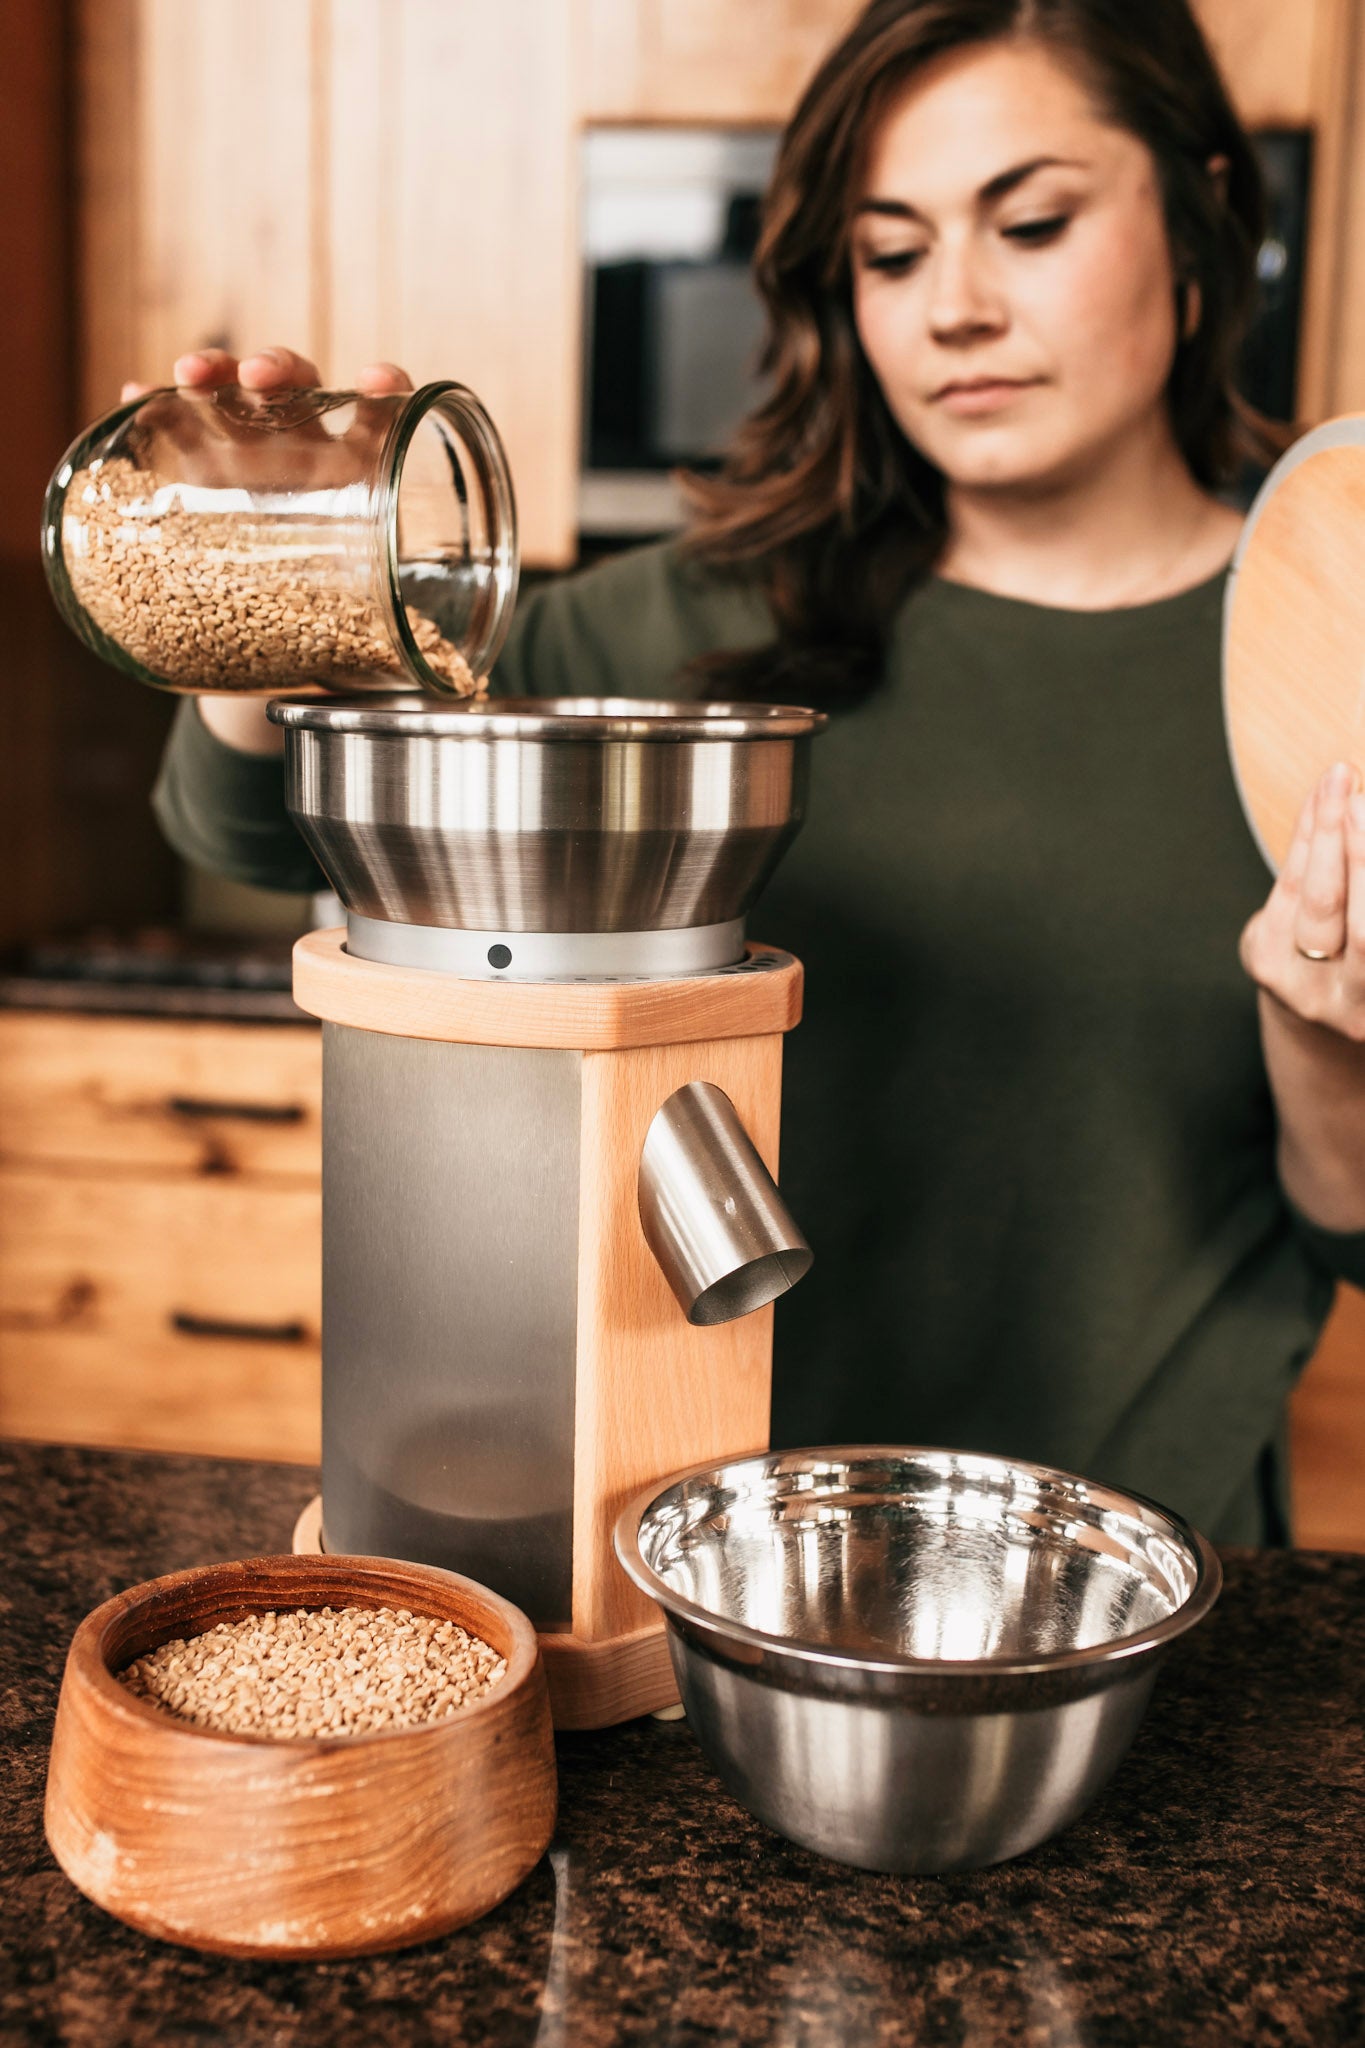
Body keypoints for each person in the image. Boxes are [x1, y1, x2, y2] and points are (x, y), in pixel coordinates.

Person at [150, 0, 1365, 1544]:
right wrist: (281, 589)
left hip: (1131, 1577)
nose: (954, 309)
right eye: (890, 253)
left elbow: (1353, 1228)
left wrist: (1322, 1032)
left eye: (1030, 225)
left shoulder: (1325, 643)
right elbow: (253, 827)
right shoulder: (683, 636)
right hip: (699, 1562)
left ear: (1197, 218)